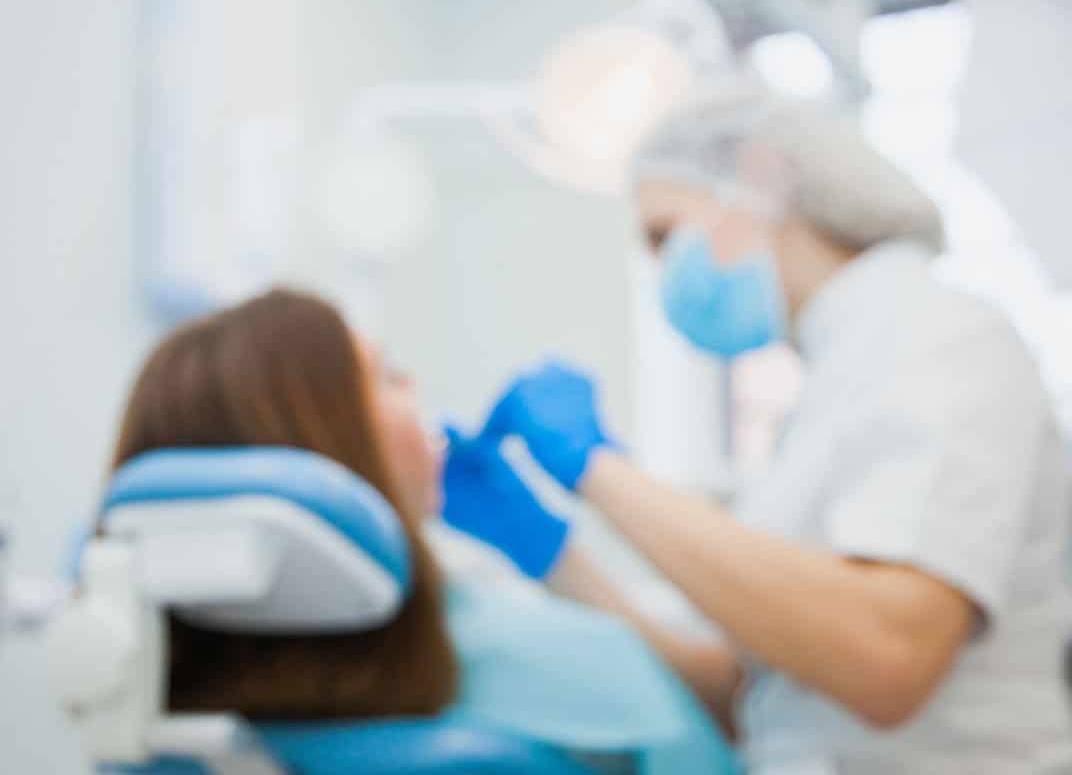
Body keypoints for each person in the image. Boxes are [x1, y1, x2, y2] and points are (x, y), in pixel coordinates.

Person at [449, 87, 1072, 773]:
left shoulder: (938, 336)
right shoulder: (832, 386)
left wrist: (599, 470)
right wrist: (556, 557)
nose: (663, 273)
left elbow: (884, 658)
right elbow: (754, 703)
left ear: (760, 179)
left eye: (664, 235)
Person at [106, 287, 738, 774]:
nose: (416, 389)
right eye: (387, 375)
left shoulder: (198, 718)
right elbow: (726, 722)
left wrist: (555, 560)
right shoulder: (523, 652)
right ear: (332, 444)